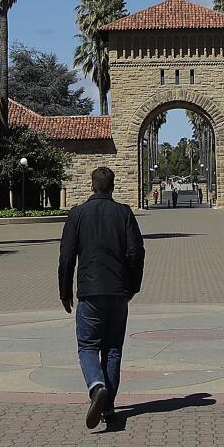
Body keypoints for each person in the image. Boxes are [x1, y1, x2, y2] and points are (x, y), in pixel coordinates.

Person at [58, 166, 144, 430]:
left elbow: (66, 257)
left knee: (87, 346)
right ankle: (108, 406)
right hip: (118, 291)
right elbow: (136, 253)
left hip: (89, 292)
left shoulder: (77, 214)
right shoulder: (124, 213)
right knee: (113, 348)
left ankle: (96, 386)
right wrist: (133, 287)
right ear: (113, 187)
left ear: (92, 185)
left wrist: (65, 291)